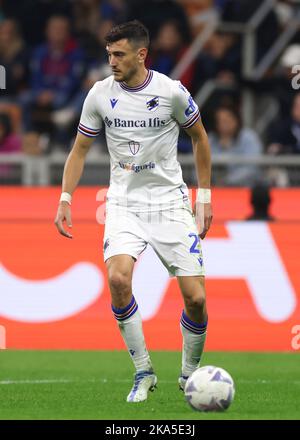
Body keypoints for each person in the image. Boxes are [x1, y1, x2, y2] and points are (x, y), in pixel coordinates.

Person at [54, 20, 212, 403]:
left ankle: (189, 374)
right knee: (119, 279)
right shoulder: (99, 95)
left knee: (196, 299)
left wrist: (204, 196)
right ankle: (143, 371)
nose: (112, 61)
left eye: (119, 54)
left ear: (142, 54)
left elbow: (200, 137)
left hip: (170, 202)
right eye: (109, 54)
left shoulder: (171, 92)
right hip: (123, 203)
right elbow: (79, 149)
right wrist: (65, 198)